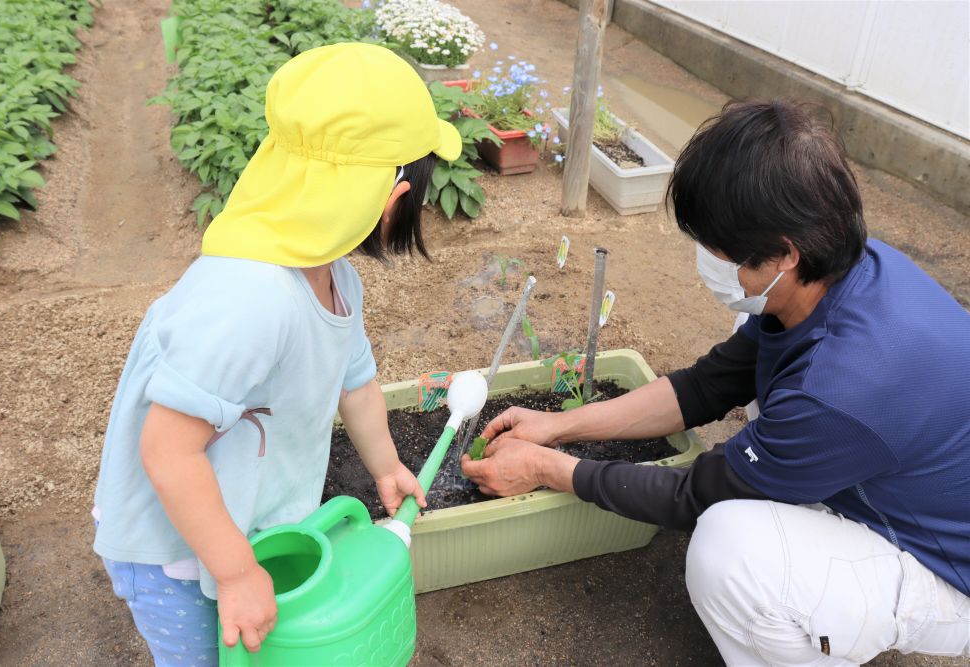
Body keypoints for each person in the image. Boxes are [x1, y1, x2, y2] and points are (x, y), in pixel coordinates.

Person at [463, 100, 970, 666]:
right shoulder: (837, 271)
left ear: (785, 252)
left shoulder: (838, 391)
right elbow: (706, 385)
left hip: (945, 565)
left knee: (730, 548)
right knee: (753, 348)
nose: (707, 260)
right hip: (901, 466)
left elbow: (696, 496)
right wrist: (558, 426)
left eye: (720, 252)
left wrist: (543, 468)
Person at [92, 43, 461, 666]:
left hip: (242, 523)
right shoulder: (249, 299)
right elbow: (167, 449)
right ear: (393, 196)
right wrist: (235, 574)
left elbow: (357, 382)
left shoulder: (334, 278)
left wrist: (386, 466)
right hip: (174, 552)